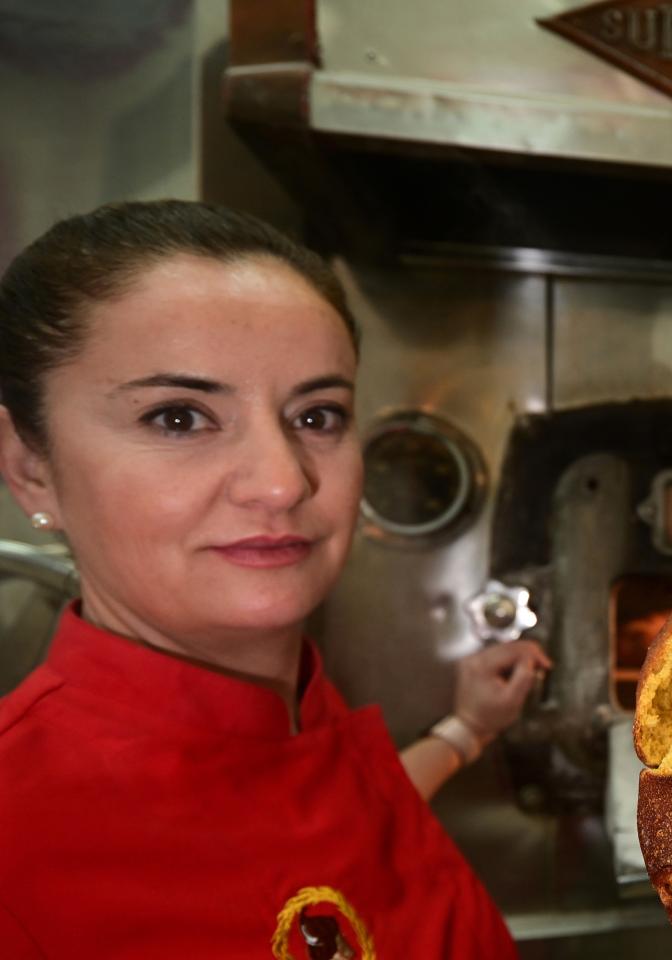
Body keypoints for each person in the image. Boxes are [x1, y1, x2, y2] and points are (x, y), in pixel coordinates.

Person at [0, 200, 551, 957]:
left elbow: (317, 822)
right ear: (32, 469)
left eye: (317, 416)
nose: (281, 482)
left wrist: (468, 730)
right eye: (178, 418)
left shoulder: (301, 704)